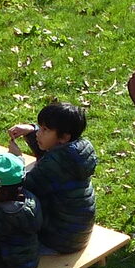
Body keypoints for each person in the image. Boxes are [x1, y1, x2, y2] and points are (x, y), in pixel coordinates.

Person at [7, 100, 97, 256]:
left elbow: (19, 187)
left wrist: (17, 160)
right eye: (40, 127)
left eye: (45, 129)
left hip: (59, 239)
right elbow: (47, 155)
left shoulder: (56, 163)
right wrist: (30, 131)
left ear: (64, 137)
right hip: (77, 232)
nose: (39, 134)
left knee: (5, 227)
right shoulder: (74, 152)